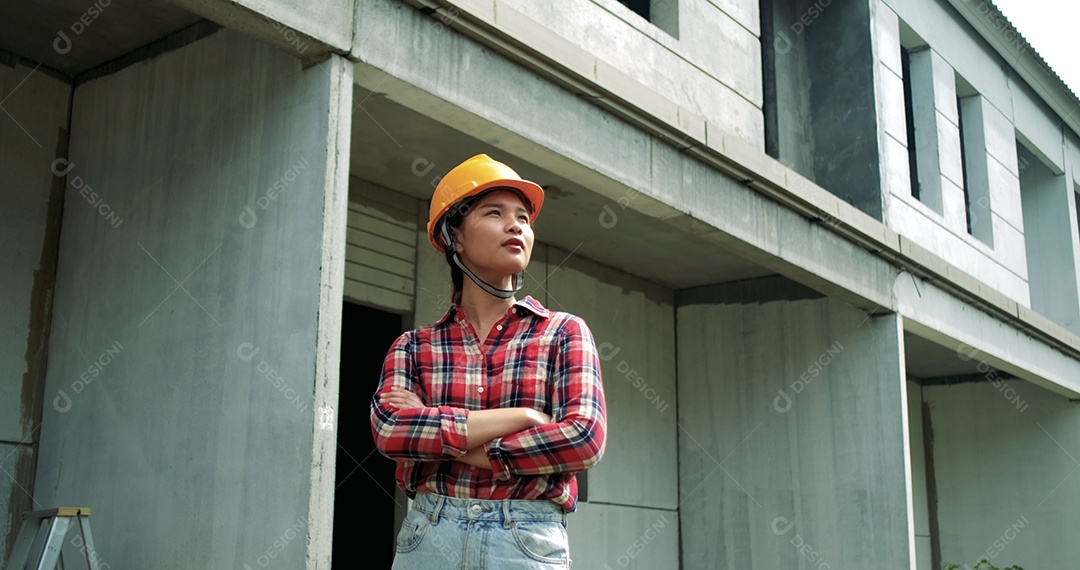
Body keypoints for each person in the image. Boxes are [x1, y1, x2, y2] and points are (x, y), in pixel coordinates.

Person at [370, 154, 607, 569]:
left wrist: (449, 441)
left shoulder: (563, 333)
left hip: (526, 538)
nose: (516, 225)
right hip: (430, 534)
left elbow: (583, 439)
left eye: (523, 218)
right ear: (454, 236)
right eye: (495, 213)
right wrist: (525, 416)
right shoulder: (412, 346)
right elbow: (391, 431)